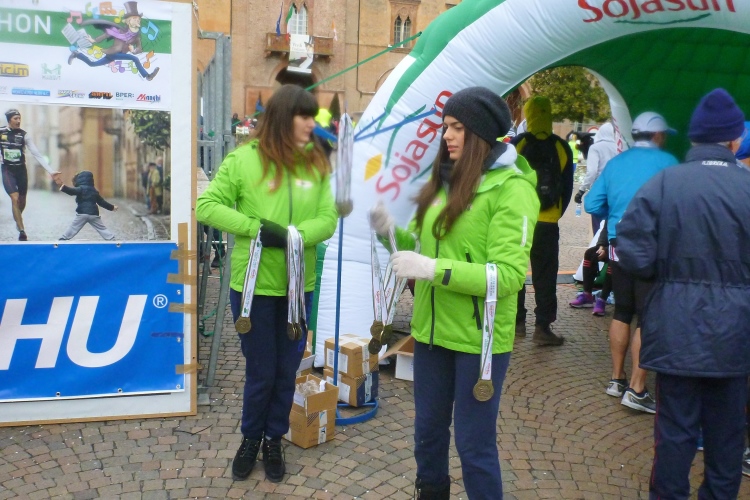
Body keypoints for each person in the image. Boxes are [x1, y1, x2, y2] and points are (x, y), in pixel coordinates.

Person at [370, 87, 539, 499]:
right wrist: (390, 233)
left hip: (478, 341)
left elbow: (508, 275)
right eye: (446, 126)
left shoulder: (513, 190)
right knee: (427, 432)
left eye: (457, 127)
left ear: (479, 132)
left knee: (473, 444)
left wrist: (432, 270)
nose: (446, 135)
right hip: (431, 333)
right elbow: (427, 249)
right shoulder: (445, 180)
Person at [196, 84, 337, 483]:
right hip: (253, 288)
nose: (311, 124)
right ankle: (250, 438)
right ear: (282, 118)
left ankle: (273, 439)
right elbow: (207, 206)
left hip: (297, 287)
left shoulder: (316, 164)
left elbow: (328, 219)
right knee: (261, 370)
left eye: (313, 116)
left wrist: (293, 236)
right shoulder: (243, 160)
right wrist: (257, 229)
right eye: (304, 116)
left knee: (286, 369)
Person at [616, 88, 750, 499]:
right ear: (734, 141)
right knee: (727, 440)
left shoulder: (663, 183)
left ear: (693, 138)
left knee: (674, 436)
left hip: (675, 331)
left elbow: (631, 249)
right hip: (736, 336)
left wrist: (665, 278)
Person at [584, 111, 678, 413]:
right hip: (653, 248)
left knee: (622, 311)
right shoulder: (669, 163)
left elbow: (591, 203)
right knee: (647, 317)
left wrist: (615, 213)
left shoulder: (616, 163)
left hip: (618, 246)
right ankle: (637, 389)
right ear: (659, 135)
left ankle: (617, 379)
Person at [512, 96, 574, 346]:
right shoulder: (561, 147)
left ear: (528, 115)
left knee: (515, 270)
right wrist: (555, 213)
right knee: (546, 275)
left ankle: (516, 323)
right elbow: (567, 188)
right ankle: (542, 327)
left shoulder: (518, 143)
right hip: (548, 221)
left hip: (519, 219)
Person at [0, 109, 61, 241]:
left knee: (22, 201)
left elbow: (36, 154)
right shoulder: (1, 132)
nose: (18, 121)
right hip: (7, 170)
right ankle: (22, 230)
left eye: (19, 118)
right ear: (9, 120)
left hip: (21, 170)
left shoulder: (24, 135)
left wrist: (51, 171)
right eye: (15, 118)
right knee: (14, 198)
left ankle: (17, 217)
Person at [69, 1, 160, 81]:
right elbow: (107, 34)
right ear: (128, 21)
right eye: (135, 19)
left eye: (138, 19)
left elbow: (139, 49)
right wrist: (94, 40)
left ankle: (76, 54)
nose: (138, 20)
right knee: (135, 59)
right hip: (113, 53)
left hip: (114, 55)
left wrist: (134, 50)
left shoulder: (136, 36)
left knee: (92, 64)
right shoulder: (120, 30)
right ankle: (147, 76)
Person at [574, 122, 618, 234]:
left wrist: (581, 190)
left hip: (600, 188)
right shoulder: (617, 147)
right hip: (616, 188)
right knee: (612, 220)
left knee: (598, 222)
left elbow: (592, 172)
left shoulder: (595, 148)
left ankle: (597, 242)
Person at [55, 171, 117, 241]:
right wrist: (112, 207)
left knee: (74, 227)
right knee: (102, 228)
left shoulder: (80, 189)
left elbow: (71, 191)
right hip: (94, 214)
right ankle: (111, 239)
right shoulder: (94, 191)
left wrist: (61, 184)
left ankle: (63, 238)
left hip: (82, 214)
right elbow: (102, 202)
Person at [569, 221, 611, 316]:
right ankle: (587, 295)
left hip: (623, 248)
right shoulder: (612, 213)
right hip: (610, 246)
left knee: (613, 261)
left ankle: (602, 299)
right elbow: (605, 229)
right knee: (590, 254)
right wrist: (601, 246)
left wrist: (607, 250)